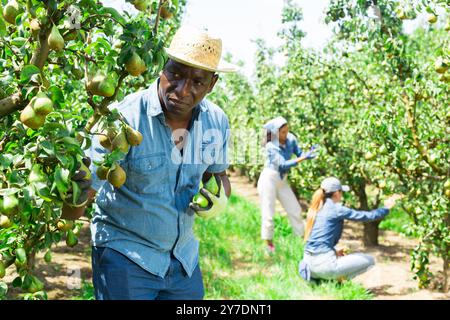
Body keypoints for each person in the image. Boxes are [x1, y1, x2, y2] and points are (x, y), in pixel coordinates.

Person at [61, 26, 239, 300]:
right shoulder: (123, 120)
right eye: (175, 75)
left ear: (212, 84)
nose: (182, 90)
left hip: (182, 259)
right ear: (161, 68)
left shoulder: (216, 122)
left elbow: (218, 175)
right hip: (126, 255)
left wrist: (221, 198)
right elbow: (74, 211)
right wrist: (74, 185)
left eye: (198, 82)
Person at [298, 177, 402, 283]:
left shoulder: (316, 209)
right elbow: (367, 216)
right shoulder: (337, 209)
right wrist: (386, 208)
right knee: (369, 260)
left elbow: (318, 241)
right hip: (324, 267)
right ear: (337, 193)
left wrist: (333, 252)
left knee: (334, 260)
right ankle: (334, 281)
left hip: (308, 266)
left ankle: (320, 281)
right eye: (341, 192)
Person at [257, 116, 318, 253]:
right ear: (275, 133)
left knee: (295, 209)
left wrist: (309, 153)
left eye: (287, 130)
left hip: (282, 180)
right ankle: (269, 245)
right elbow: (283, 164)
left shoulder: (291, 139)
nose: (286, 134)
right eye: (283, 132)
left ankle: (303, 240)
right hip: (270, 178)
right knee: (268, 213)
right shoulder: (271, 145)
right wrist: (303, 158)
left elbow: (299, 152)